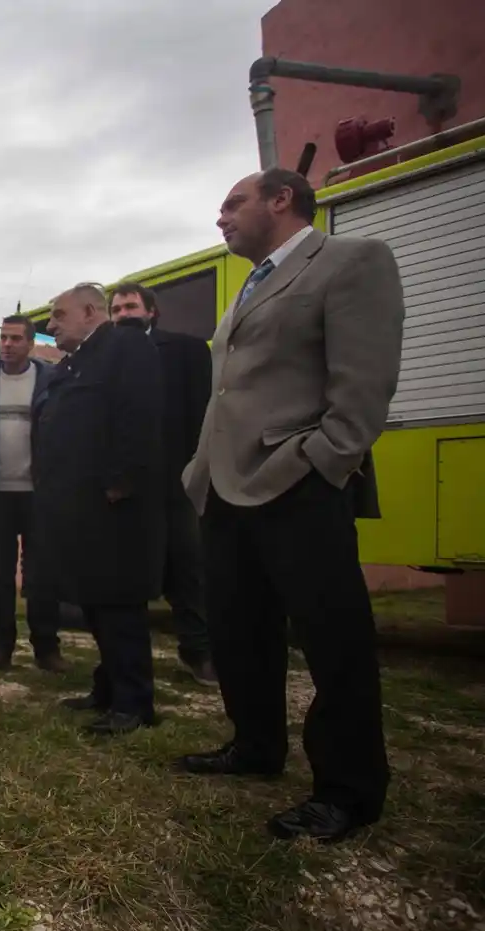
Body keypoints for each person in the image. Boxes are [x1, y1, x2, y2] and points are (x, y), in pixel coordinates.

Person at [175, 168, 403, 844]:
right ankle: (255, 746)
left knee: (334, 640)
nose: (221, 218)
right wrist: (201, 470)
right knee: (240, 629)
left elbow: (364, 386)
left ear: (282, 199)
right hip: (225, 487)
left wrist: (323, 459)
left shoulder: (350, 261)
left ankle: (348, 790)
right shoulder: (249, 284)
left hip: (297, 482)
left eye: (232, 203)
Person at [35, 284, 165, 736]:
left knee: (119, 604)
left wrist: (121, 481)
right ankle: (108, 688)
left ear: (90, 311)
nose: (50, 327)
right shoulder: (75, 361)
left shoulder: (126, 345)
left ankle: (134, 703)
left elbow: (141, 414)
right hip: (78, 505)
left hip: (113, 505)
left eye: (57, 315)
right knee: (95, 601)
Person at [108, 282, 215, 685]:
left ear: (151, 311)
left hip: (175, 482)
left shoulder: (187, 351)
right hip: (125, 489)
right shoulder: (104, 358)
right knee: (128, 576)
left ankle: (198, 652)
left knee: (187, 570)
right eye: (116, 309)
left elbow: (203, 415)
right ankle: (129, 665)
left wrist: (192, 472)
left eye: (130, 306)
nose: (123, 315)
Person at [0, 315, 63, 673]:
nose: (7, 345)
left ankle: (47, 649)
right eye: (3, 338)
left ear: (29, 343)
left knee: (42, 575)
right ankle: (0, 648)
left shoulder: (52, 380)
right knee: (0, 576)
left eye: (15, 339)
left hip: (40, 494)